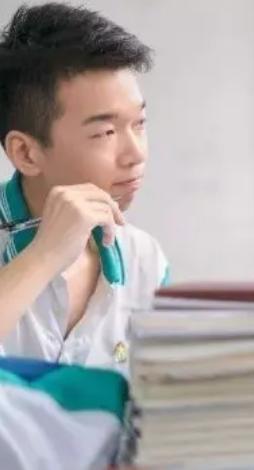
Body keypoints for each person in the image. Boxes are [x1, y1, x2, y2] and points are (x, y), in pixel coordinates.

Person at [0, 3, 168, 371]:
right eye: (105, 132)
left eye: (139, 123)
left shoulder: (145, 260)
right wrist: (43, 256)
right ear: (25, 153)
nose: (136, 154)